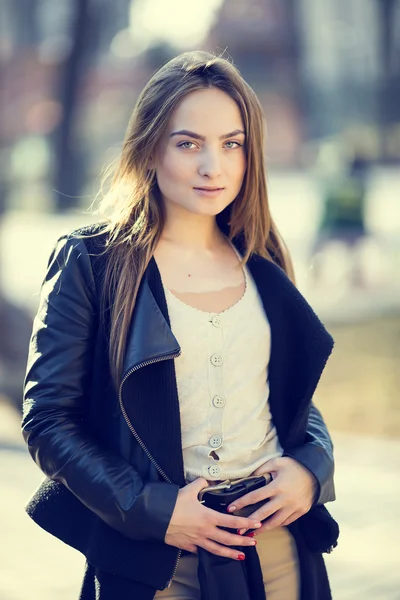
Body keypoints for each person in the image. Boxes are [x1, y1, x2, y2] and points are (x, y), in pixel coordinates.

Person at [22, 51, 339, 600]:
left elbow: (289, 397)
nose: (212, 166)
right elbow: (48, 419)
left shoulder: (261, 256)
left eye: (231, 144)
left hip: (278, 547)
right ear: (149, 148)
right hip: (153, 555)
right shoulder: (93, 263)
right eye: (188, 143)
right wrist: (156, 511)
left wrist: (312, 469)